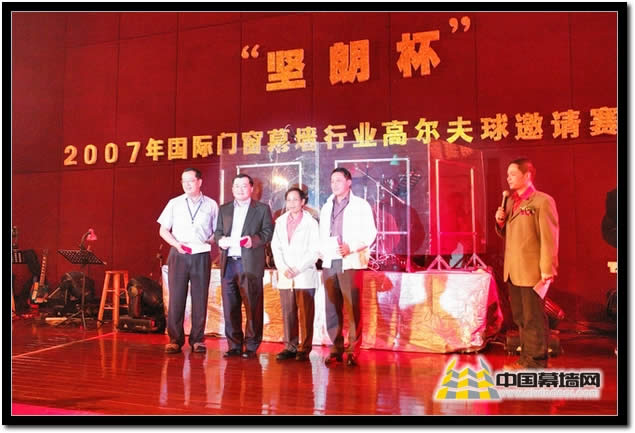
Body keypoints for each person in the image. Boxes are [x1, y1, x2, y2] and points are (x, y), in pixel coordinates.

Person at [495, 157, 559, 369]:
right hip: (514, 270)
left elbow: (549, 238)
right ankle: (525, 360)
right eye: (507, 175)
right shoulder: (510, 201)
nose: (509, 178)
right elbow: (510, 234)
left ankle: (537, 362)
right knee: (521, 317)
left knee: (534, 317)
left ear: (527, 175)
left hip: (533, 270)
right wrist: (500, 223)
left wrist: (547, 268)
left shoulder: (542, 201)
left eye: (513, 174)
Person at [319, 167, 377, 367]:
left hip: (350, 261)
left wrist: (350, 247)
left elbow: (370, 233)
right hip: (330, 261)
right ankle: (336, 348)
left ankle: (353, 349)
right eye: (332, 181)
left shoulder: (361, 205)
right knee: (331, 307)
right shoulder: (326, 206)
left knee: (352, 307)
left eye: (339, 180)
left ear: (349, 182)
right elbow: (322, 235)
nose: (334, 184)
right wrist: (322, 252)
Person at [157, 167, 218, 355]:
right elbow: (163, 230)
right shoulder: (174, 203)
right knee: (176, 298)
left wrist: (210, 239)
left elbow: (217, 231)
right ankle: (175, 340)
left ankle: (197, 340)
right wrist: (176, 244)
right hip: (179, 253)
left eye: (191, 180)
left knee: (200, 298)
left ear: (199, 182)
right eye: (184, 181)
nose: (187, 184)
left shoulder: (211, 204)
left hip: (201, 254)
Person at [214, 173, 274, 359]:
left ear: (251, 188)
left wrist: (252, 241)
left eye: (244, 186)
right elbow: (218, 232)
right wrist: (220, 241)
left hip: (250, 264)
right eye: (237, 186)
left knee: (253, 306)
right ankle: (234, 345)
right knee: (230, 307)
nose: (240, 189)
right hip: (228, 264)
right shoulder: (224, 209)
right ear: (232, 189)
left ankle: (252, 345)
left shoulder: (262, 209)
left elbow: (268, 232)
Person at [270, 187, 320, 362]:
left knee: (305, 314)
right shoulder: (280, 221)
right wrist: (283, 267)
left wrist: (298, 268)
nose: (291, 203)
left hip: (304, 274)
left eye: (295, 200)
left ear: (303, 202)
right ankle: (290, 346)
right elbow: (276, 247)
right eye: (288, 200)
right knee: (288, 312)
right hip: (286, 274)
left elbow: (314, 250)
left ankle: (304, 348)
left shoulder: (311, 223)